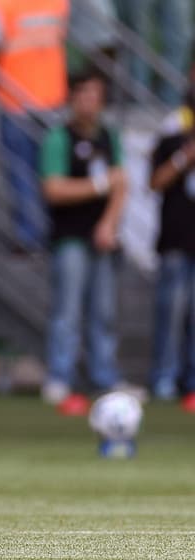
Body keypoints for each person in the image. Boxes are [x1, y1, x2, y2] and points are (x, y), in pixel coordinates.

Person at [37, 70, 141, 405]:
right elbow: (53, 189)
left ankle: (104, 377)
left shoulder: (109, 136)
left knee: (105, 312)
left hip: (102, 239)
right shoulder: (59, 137)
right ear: (73, 98)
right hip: (69, 239)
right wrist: (98, 185)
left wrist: (108, 225)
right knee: (67, 310)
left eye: (95, 95)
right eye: (83, 94)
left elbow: (121, 183)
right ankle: (60, 377)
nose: (89, 102)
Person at [0, 0, 69, 253]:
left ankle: (29, 235)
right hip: (52, 98)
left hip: (14, 97)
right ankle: (50, 231)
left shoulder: (1, 4)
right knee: (50, 169)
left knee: (20, 170)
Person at [146, 60, 195, 404]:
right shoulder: (173, 126)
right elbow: (155, 181)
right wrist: (184, 158)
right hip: (177, 237)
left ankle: (192, 380)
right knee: (171, 311)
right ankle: (163, 378)